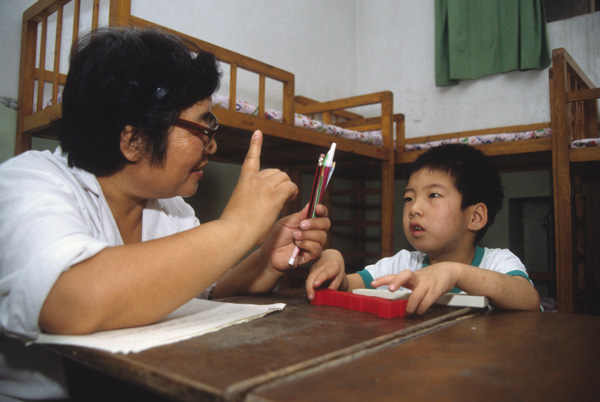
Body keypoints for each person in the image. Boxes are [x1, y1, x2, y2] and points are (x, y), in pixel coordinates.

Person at [0, 27, 330, 400]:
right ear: (133, 141)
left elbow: (206, 287)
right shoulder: (25, 182)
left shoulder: (168, 206)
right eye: (202, 126)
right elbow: (69, 302)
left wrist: (266, 259)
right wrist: (238, 226)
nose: (213, 144)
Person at [306, 143, 540, 315]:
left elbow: (528, 298)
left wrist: (453, 272)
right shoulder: (403, 264)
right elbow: (347, 285)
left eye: (434, 195)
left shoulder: (497, 262)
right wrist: (333, 260)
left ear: (475, 217)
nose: (414, 208)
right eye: (408, 198)